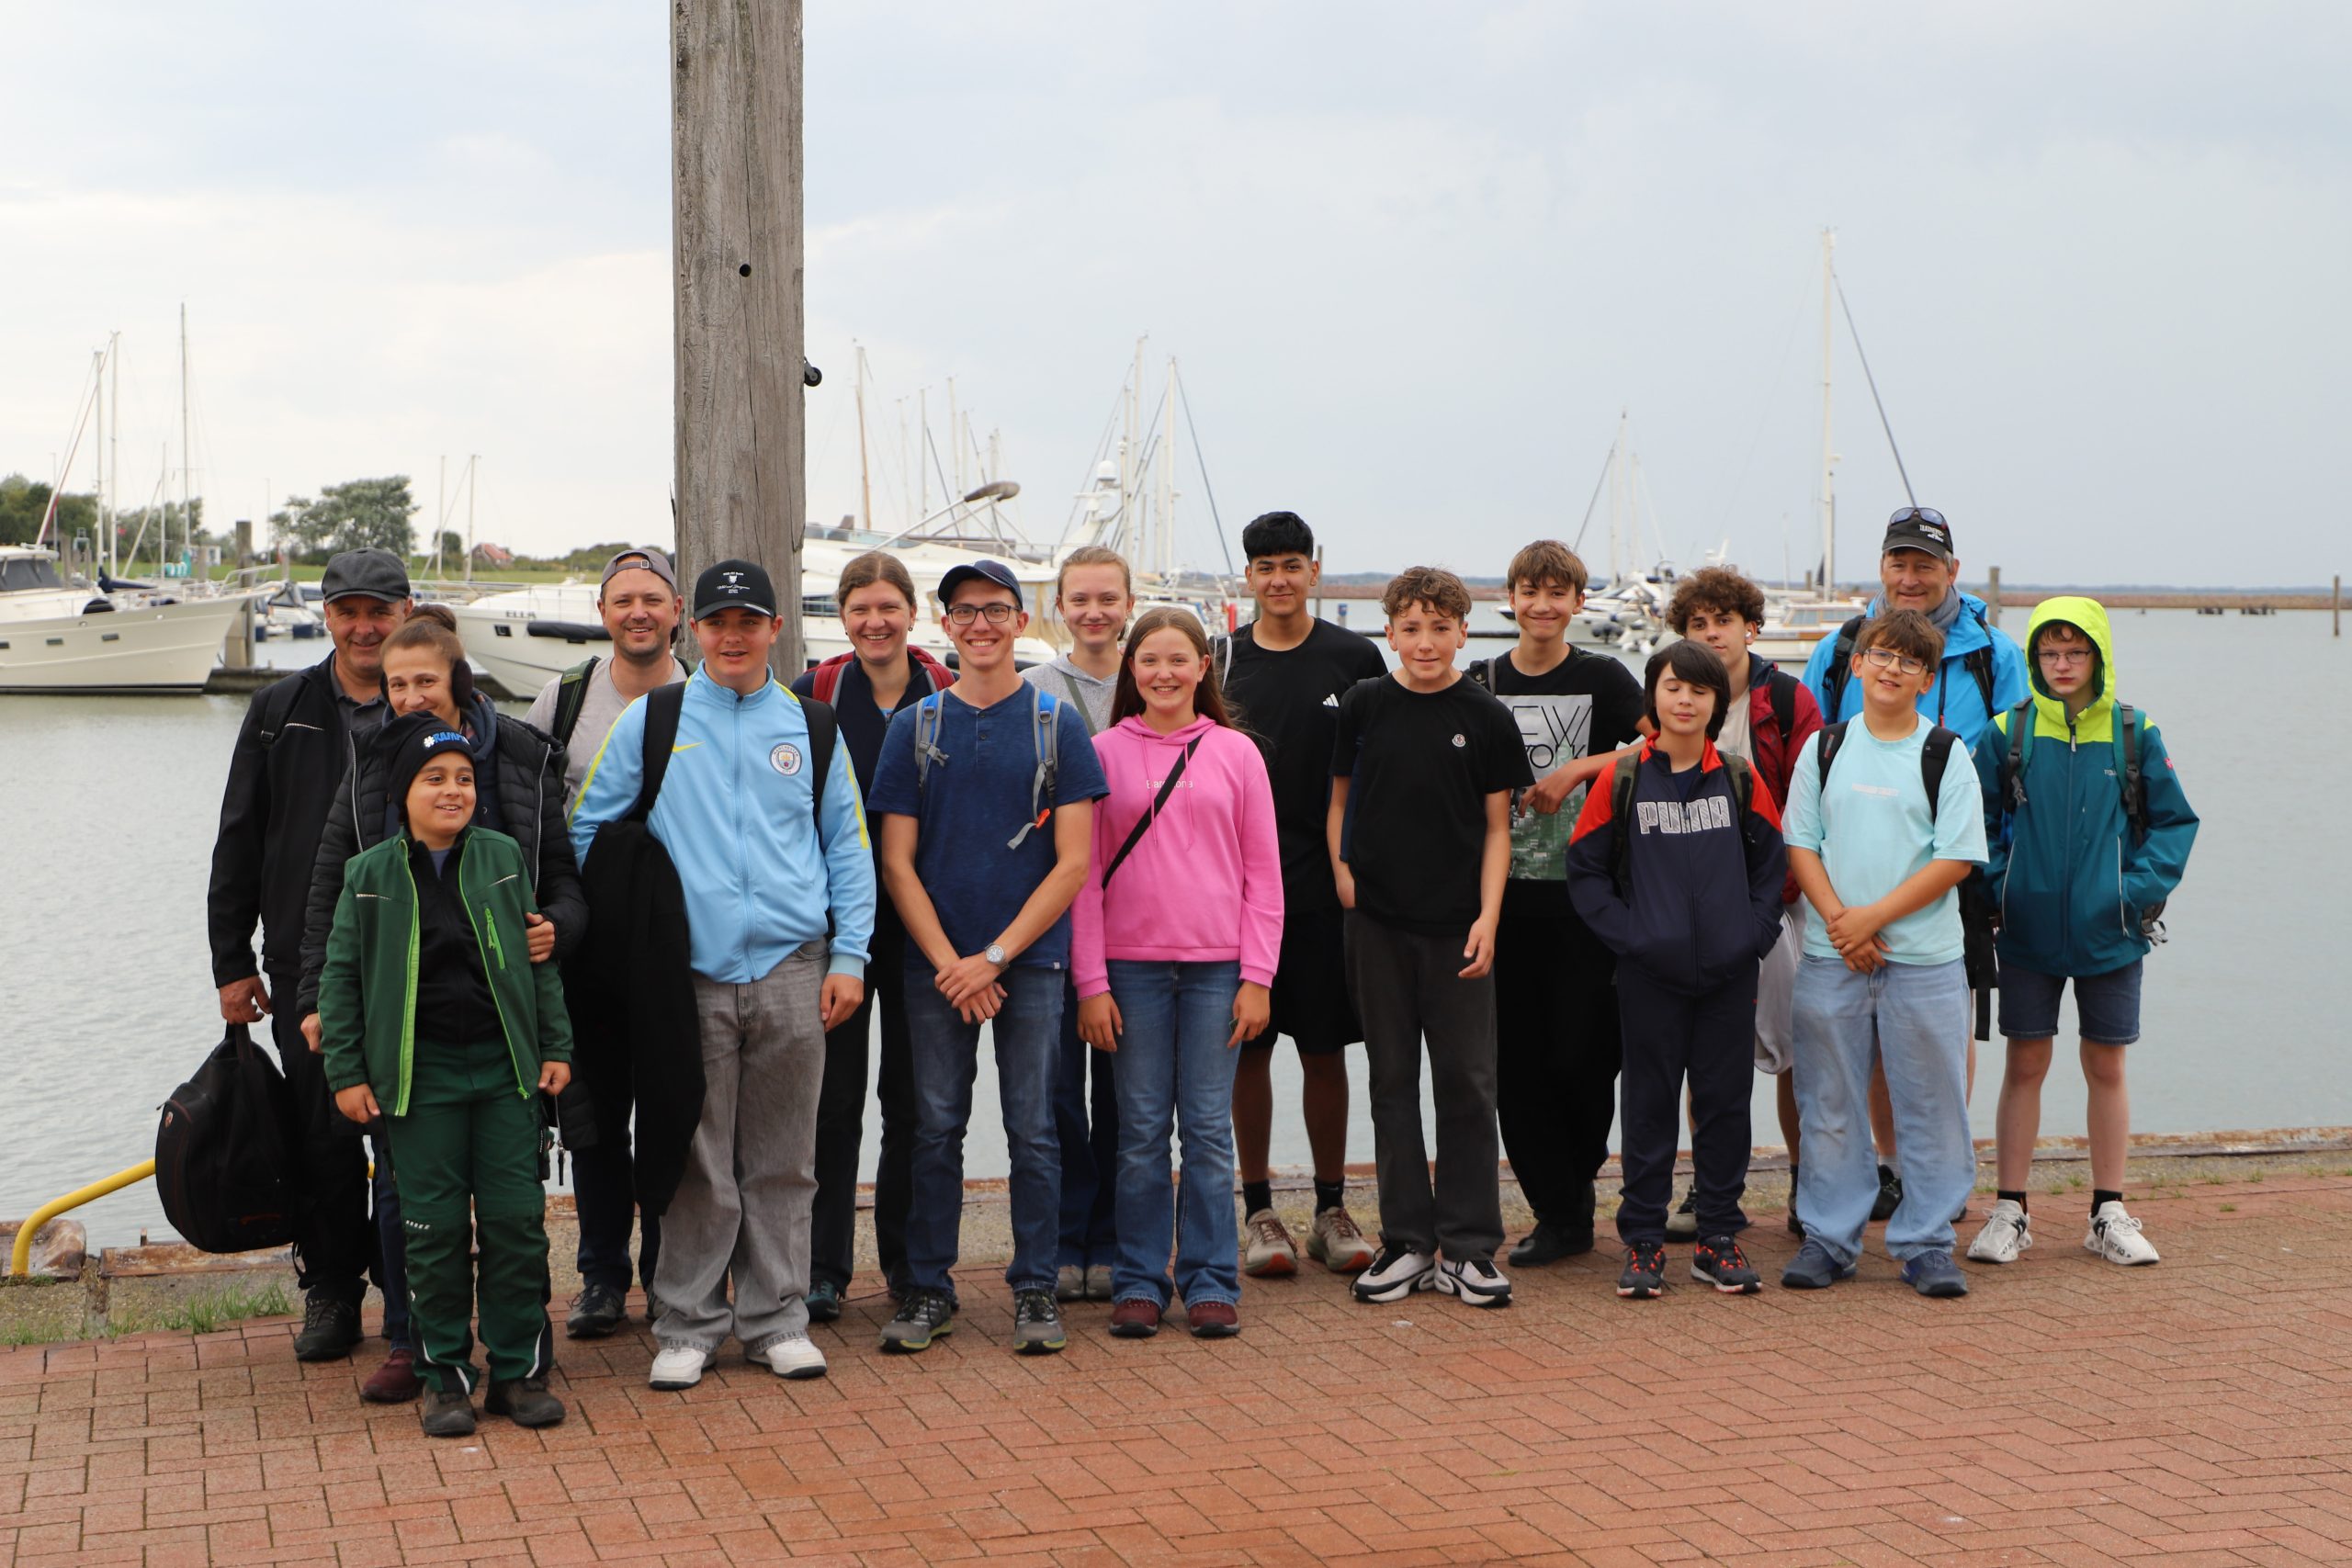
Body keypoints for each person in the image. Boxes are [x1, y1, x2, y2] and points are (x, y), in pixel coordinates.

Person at [568, 559, 876, 1389]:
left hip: (793, 966)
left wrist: (849, 955)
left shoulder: (812, 727)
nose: (732, 636)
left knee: (782, 1157)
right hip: (690, 976)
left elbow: (848, 848)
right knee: (695, 1155)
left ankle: (776, 1317)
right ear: (692, 629)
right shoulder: (654, 719)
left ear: (776, 629)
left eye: (749, 622)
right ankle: (688, 1322)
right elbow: (590, 827)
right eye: (716, 622)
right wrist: (650, 922)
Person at [290, 604, 585, 1404]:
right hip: (415, 1074)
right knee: (430, 1228)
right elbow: (340, 961)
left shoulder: (501, 845)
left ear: (455, 678)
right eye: (397, 684)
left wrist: (553, 1042)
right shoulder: (371, 873)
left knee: (520, 1223)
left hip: (504, 1069)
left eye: (461, 778)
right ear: (401, 790)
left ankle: (520, 1371)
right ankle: (439, 1368)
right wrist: (343, 1057)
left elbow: (541, 954)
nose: (452, 789)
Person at [868, 559, 1107, 1355]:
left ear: (1019, 619)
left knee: (1034, 1128)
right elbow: (895, 861)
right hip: (936, 967)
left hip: (1030, 964)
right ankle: (929, 1287)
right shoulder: (916, 726)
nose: (981, 625)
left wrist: (995, 957)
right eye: (965, 611)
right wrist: (952, 963)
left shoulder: (1055, 722)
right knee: (934, 1128)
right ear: (946, 623)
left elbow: (1072, 862)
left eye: (996, 610)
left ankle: (1035, 1285)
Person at [206, 547, 409, 1372]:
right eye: (347, 609)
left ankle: (408, 1289)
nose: (364, 625)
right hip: (302, 962)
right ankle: (331, 1287)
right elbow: (238, 840)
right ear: (325, 614)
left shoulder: (427, 702)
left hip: (413, 961)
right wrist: (230, 961)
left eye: (379, 609)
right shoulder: (278, 709)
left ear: (405, 611)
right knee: (323, 1133)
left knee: (406, 1134)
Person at [1801, 508, 2027, 1220]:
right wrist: (1845, 914)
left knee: (1940, 1035)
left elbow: (2021, 760)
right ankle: (1890, 1166)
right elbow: (1810, 760)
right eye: (1898, 562)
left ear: (1951, 572)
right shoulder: (1842, 647)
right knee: (1864, 1045)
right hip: (1849, 881)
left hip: (1958, 865)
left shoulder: (1994, 653)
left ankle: (1933, 1181)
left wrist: (2005, 871)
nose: (1910, 577)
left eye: (1925, 565)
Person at [1966, 598, 2199, 1269]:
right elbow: (1973, 820)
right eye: (2049, 653)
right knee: (2026, 1063)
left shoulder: (2135, 731)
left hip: (2113, 932)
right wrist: (2002, 883)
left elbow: (2175, 823)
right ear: (2035, 658)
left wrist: (2132, 890)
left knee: (2106, 1063)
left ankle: (2108, 1211)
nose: (2061, 665)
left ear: (2098, 655)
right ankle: (2011, 1208)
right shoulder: (2008, 731)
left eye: (2075, 652)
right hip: (2027, 930)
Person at [1072, 609, 1282, 1339]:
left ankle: (1210, 1277)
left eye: (1178, 660)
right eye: (1150, 661)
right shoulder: (1099, 751)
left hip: (1218, 970)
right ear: (1132, 670)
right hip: (1130, 970)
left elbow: (1264, 874)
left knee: (1207, 1131)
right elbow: (1084, 877)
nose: (1164, 673)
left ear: (1202, 668)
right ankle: (1138, 1277)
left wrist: (1258, 976)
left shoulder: (1236, 753)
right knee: (1136, 1132)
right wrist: (1090, 982)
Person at [1330, 566, 1531, 1307]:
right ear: (1389, 632)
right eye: (1410, 628)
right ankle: (1408, 1241)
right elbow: (1339, 798)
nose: (1425, 641)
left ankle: (1470, 1246)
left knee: (1469, 1086)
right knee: (1390, 1083)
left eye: (1440, 627)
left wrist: (1488, 917)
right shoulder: (1363, 704)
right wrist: (1343, 873)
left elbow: (1497, 829)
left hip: (1457, 928)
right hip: (1377, 924)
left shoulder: (1484, 715)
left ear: (1462, 632)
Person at [1566, 642, 1788, 1300]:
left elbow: (1771, 871)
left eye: (1698, 689)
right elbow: (1585, 872)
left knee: (1725, 1106)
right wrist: (1634, 938)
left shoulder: (1741, 779)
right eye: (1672, 687)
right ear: (1652, 697)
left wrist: (1749, 937)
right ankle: (1642, 1238)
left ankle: (1719, 1234)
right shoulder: (1623, 777)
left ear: (1718, 702)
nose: (1685, 699)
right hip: (1648, 976)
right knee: (1649, 1106)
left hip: (1727, 978)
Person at [1781, 609, 1989, 1299]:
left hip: (1924, 961)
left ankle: (1927, 1241)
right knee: (1829, 1102)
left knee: (1931, 1103)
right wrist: (1843, 924)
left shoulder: (1945, 752)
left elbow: (1956, 857)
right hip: (1830, 955)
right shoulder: (1826, 747)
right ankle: (1829, 1238)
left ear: (1928, 679)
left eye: (1908, 661)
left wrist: (1871, 919)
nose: (1891, 668)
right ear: (1861, 664)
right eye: (1881, 655)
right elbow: (1801, 843)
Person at [520, 546, 688, 1339]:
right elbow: (521, 806)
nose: (638, 613)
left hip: (680, 942)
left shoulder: (708, 694)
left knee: (670, 1110)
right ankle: (599, 1274)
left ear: (677, 609)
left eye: (652, 598)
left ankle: (667, 1270)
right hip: (584, 936)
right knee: (590, 1117)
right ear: (603, 612)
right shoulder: (565, 698)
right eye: (623, 600)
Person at [1212, 512, 1385, 1279]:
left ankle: (1328, 1207)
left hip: (1324, 893)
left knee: (1323, 1049)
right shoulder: (1220, 661)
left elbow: (1382, 772)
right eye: (1263, 566)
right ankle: (1257, 1211)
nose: (1278, 579)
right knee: (1247, 1051)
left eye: (1291, 564)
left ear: (1315, 570)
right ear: (1247, 577)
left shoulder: (1354, 658)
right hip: (1234, 895)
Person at [1468, 541, 1648, 1266]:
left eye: (1558, 592)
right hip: (1503, 900)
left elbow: (1662, 741)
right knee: (1516, 1064)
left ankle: (1579, 1185)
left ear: (1578, 601)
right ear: (1509, 598)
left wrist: (1579, 767)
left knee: (1584, 1054)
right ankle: (1556, 1211)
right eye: (1529, 591)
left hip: (1587, 899)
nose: (1543, 605)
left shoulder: (1602, 675)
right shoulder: (1481, 679)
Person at [789, 551, 955, 1321]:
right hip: (836, 928)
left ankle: (907, 1264)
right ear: (842, 615)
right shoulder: (815, 696)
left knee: (914, 1103)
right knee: (832, 1100)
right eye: (860, 608)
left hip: (926, 924)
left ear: (912, 613)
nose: (875, 621)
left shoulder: (948, 695)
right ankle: (823, 1267)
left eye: (889, 606)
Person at [1661, 567, 1823, 1238]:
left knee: (1797, 1052)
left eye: (1721, 620)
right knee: (1706, 1054)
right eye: (1697, 622)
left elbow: (1814, 800)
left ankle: (1804, 1184)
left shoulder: (1787, 700)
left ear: (1749, 626)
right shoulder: (1670, 697)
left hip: (1777, 901)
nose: (1710, 633)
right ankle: (1707, 1184)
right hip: (1695, 906)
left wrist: (1786, 883)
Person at [1023, 545, 1134, 1303]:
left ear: (1130, 601)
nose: (1094, 612)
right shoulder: (1034, 688)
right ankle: (1069, 1235)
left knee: (1129, 1094)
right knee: (1057, 1089)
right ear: (1060, 606)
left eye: (1108, 598)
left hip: (1135, 923)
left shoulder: (1157, 679)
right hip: (1053, 917)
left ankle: (1122, 1237)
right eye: (1080, 599)